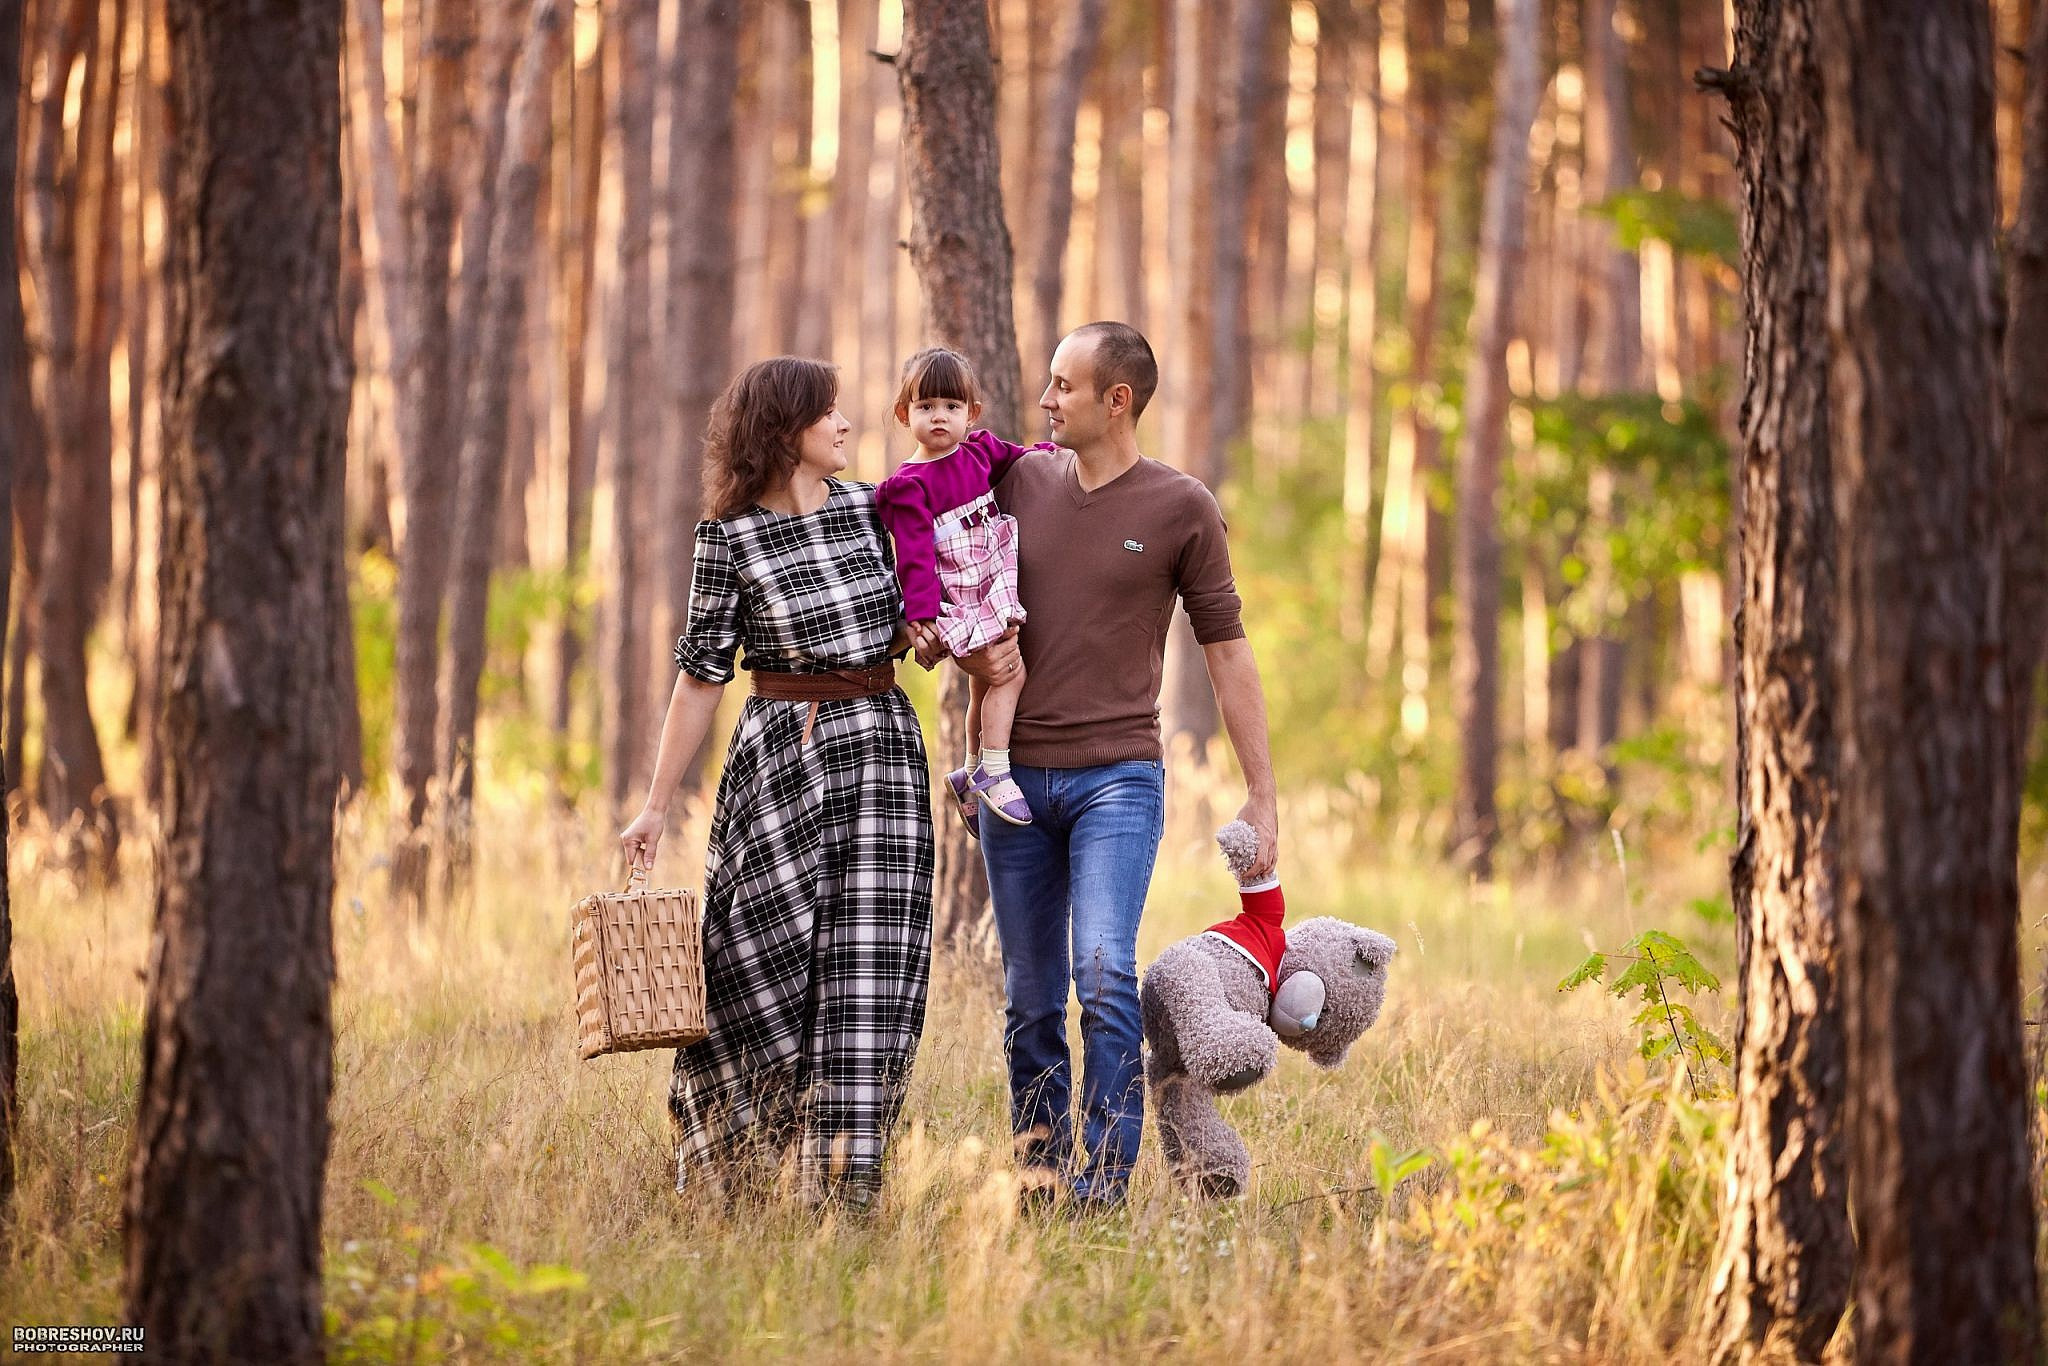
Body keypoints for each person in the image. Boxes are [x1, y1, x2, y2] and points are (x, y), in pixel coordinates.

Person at [957, 321, 1279, 1211]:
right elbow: (942, 557)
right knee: (1029, 999)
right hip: (1013, 784)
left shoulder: (1181, 506)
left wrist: (1263, 793)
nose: (1047, 398)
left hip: (1118, 781)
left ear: (1117, 400)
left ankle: (1100, 1186)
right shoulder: (1016, 480)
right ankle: (1039, 1176)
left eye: (1063, 385)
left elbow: (1227, 653)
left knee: (1101, 970)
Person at [618, 356, 932, 1209]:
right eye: (827, 412)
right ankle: (732, 1178)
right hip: (780, 761)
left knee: (870, 970)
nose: (845, 422)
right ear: (784, 429)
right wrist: (654, 806)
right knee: (753, 958)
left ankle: (845, 1188)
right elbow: (699, 678)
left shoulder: (875, 509)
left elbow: (920, 613)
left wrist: (947, 638)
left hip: (883, 761)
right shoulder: (728, 537)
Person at [875, 346, 1053, 833]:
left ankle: (970, 767)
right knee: (1009, 676)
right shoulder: (907, 484)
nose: (939, 417)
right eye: (926, 406)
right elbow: (912, 556)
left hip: (991, 573)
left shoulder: (978, 450)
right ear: (903, 413)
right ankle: (996, 770)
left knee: (983, 683)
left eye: (952, 407)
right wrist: (923, 616)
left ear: (971, 414)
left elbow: (1019, 458)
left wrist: (1049, 454)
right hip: (961, 590)